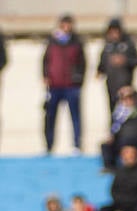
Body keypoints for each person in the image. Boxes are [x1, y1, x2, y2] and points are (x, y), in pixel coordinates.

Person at [43, 14, 86, 154]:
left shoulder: (77, 42)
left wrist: (79, 80)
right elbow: (45, 60)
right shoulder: (52, 41)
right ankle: (49, 145)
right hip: (54, 86)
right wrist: (45, 76)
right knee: (50, 117)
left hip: (71, 86)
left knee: (75, 116)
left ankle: (76, 145)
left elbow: (82, 63)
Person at [100, 85, 137, 170]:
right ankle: (110, 167)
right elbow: (115, 127)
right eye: (124, 98)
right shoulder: (118, 113)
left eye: (129, 98)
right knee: (106, 145)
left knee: (127, 145)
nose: (127, 101)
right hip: (120, 138)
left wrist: (133, 91)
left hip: (135, 139)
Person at [97, 18, 137, 115]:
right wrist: (99, 71)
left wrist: (125, 60)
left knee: (125, 112)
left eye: (116, 31)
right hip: (111, 85)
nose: (114, 34)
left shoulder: (128, 45)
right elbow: (102, 63)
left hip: (125, 85)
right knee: (113, 112)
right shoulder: (107, 46)